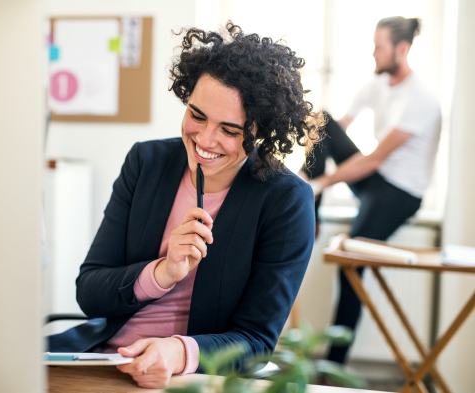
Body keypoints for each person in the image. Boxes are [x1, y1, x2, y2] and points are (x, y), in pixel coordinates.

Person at [48, 22, 322, 389]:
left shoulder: (286, 200)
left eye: (229, 130)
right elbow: (90, 292)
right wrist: (161, 273)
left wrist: (176, 352)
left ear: (259, 131)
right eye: (197, 115)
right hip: (102, 360)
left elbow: (256, 342)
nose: (205, 140)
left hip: (196, 375)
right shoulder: (146, 162)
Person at [301, 16, 441, 364]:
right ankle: (310, 213)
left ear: (402, 49)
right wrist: (308, 153)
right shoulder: (377, 84)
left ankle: (332, 368)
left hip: (400, 194)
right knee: (321, 119)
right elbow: (332, 130)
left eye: (379, 47)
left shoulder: (421, 98)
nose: (373, 53)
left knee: (351, 268)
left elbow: (375, 158)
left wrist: (318, 182)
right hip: (375, 183)